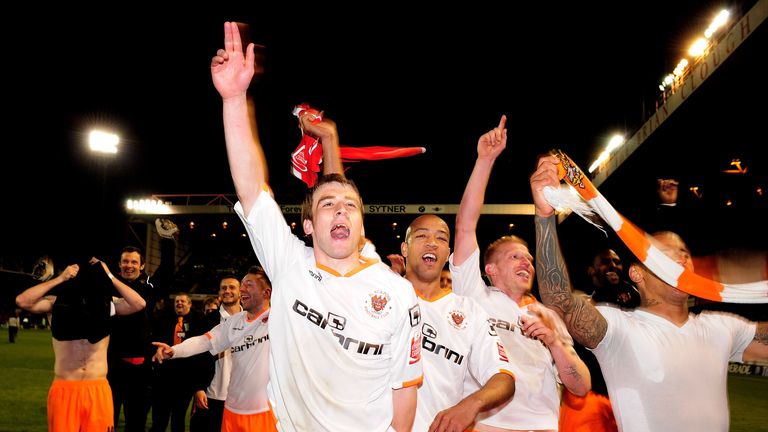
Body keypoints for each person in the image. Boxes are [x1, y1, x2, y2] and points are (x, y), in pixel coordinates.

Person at [211, 22, 423, 431]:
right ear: (308, 225)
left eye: (350, 206)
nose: (340, 211)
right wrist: (235, 99)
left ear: (362, 225)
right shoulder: (290, 264)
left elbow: (405, 389)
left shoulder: (397, 292)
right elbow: (253, 190)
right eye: (328, 205)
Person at [530, 154, 768, 432]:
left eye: (684, 254)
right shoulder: (618, 329)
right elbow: (559, 300)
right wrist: (545, 216)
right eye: (665, 256)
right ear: (636, 274)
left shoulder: (721, 326)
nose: (681, 260)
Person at [451, 116, 590, 431]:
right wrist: (485, 160)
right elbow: (465, 226)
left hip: (542, 426)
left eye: (528, 258)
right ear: (490, 269)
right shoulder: (474, 296)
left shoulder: (547, 315)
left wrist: (554, 342)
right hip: (488, 425)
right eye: (515, 256)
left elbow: (580, 387)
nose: (527, 262)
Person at [400, 214, 515, 431]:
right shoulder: (384, 294)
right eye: (422, 235)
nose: (432, 243)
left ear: (448, 254)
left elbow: (503, 377)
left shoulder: (469, 311)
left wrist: (471, 404)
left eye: (441, 239)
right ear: (404, 248)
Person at [15, 257, 146, 431]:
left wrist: (109, 275)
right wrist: (60, 278)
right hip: (65, 388)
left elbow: (139, 303)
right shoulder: (55, 303)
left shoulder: (108, 305)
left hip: (97, 388)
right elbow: (22, 301)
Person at [154, 266, 277, 431]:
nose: (242, 289)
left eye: (249, 284)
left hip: (264, 411)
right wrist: (174, 351)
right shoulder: (233, 323)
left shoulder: (279, 320)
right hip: (232, 410)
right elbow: (204, 341)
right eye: (242, 284)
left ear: (266, 293)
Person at [107, 245, 157, 432]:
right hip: (110, 367)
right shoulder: (106, 286)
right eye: (125, 261)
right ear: (119, 264)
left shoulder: (147, 289)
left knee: (136, 423)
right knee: (105, 421)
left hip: (139, 370)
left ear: (142, 266)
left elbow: (138, 304)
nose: (129, 265)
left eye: (134, 262)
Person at [150, 293, 213, 432]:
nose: (179, 303)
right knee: (159, 419)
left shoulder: (198, 321)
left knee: (178, 419)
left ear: (190, 304)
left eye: (183, 301)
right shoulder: (165, 320)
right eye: (177, 301)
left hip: (185, 379)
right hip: (163, 378)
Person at [190, 275, 243, 432]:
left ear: (241, 292)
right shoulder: (206, 321)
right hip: (211, 395)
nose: (227, 291)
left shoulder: (252, 320)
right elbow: (195, 358)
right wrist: (198, 388)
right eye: (224, 288)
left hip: (242, 396)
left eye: (232, 287)